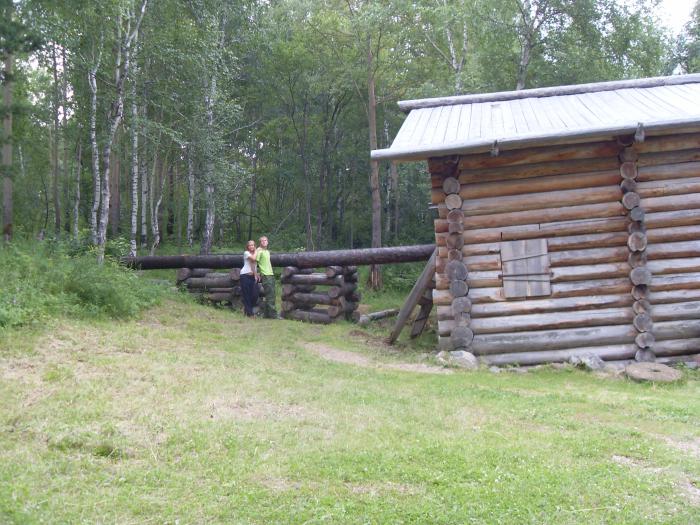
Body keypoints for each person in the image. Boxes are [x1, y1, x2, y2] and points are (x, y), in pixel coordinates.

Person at [256, 235, 280, 319]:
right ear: (260, 242)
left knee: (271, 295)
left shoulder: (267, 251)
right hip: (266, 275)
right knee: (270, 296)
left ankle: (266, 314)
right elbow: (255, 262)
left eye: (265, 240)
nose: (264, 242)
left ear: (267, 242)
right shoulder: (259, 251)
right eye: (262, 241)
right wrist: (257, 273)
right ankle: (274, 315)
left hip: (271, 274)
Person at [240, 240, 259, 317]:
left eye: (253, 245)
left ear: (254, 246)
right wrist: (257, 251)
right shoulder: (246, 253)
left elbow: (253, 266)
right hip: (244, 275)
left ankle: (246, 310)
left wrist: (255, 275)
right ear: (247, 247)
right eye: (250, 245)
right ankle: (250, 314)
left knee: (254, 295)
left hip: (252, 276)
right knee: (247, 295)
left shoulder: (255, 253)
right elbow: (253, 259)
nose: (251, 246)